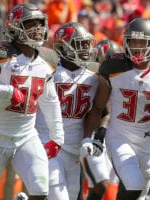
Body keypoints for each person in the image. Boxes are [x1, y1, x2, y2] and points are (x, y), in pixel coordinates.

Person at [0, 3, 64, 200]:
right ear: (15, 27)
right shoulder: (2, 55)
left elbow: (51, 101)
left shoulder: (46, 60)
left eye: (39, 23)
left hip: (26, 136)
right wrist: (8, 91)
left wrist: (58, 137)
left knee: (41, 190)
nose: (38, 28)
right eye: (30, 24)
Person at [98, 18, 150, 200]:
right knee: (133, 185)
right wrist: (97, 134)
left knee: (141, 193)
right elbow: (99, 105)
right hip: (119, 137)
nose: (138, 47)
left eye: (143, 42)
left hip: (146, 141)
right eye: (133, 41)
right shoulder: (114, 65)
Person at [35, 22, 109, 200]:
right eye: (79, 44)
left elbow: (98, 110)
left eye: (86, 44)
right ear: (63, 47)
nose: (86, 49)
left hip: (74, 148)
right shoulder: (47, 72)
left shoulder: (94, 78)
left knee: (72, 194)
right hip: (48, 143)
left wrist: (87, 138)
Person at [80, 39, 123, 200]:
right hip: (92, 135)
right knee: (100, 184)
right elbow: (101, 111)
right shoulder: (90, 78)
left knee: (108, 190)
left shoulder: (122, 80)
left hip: (113, 138)